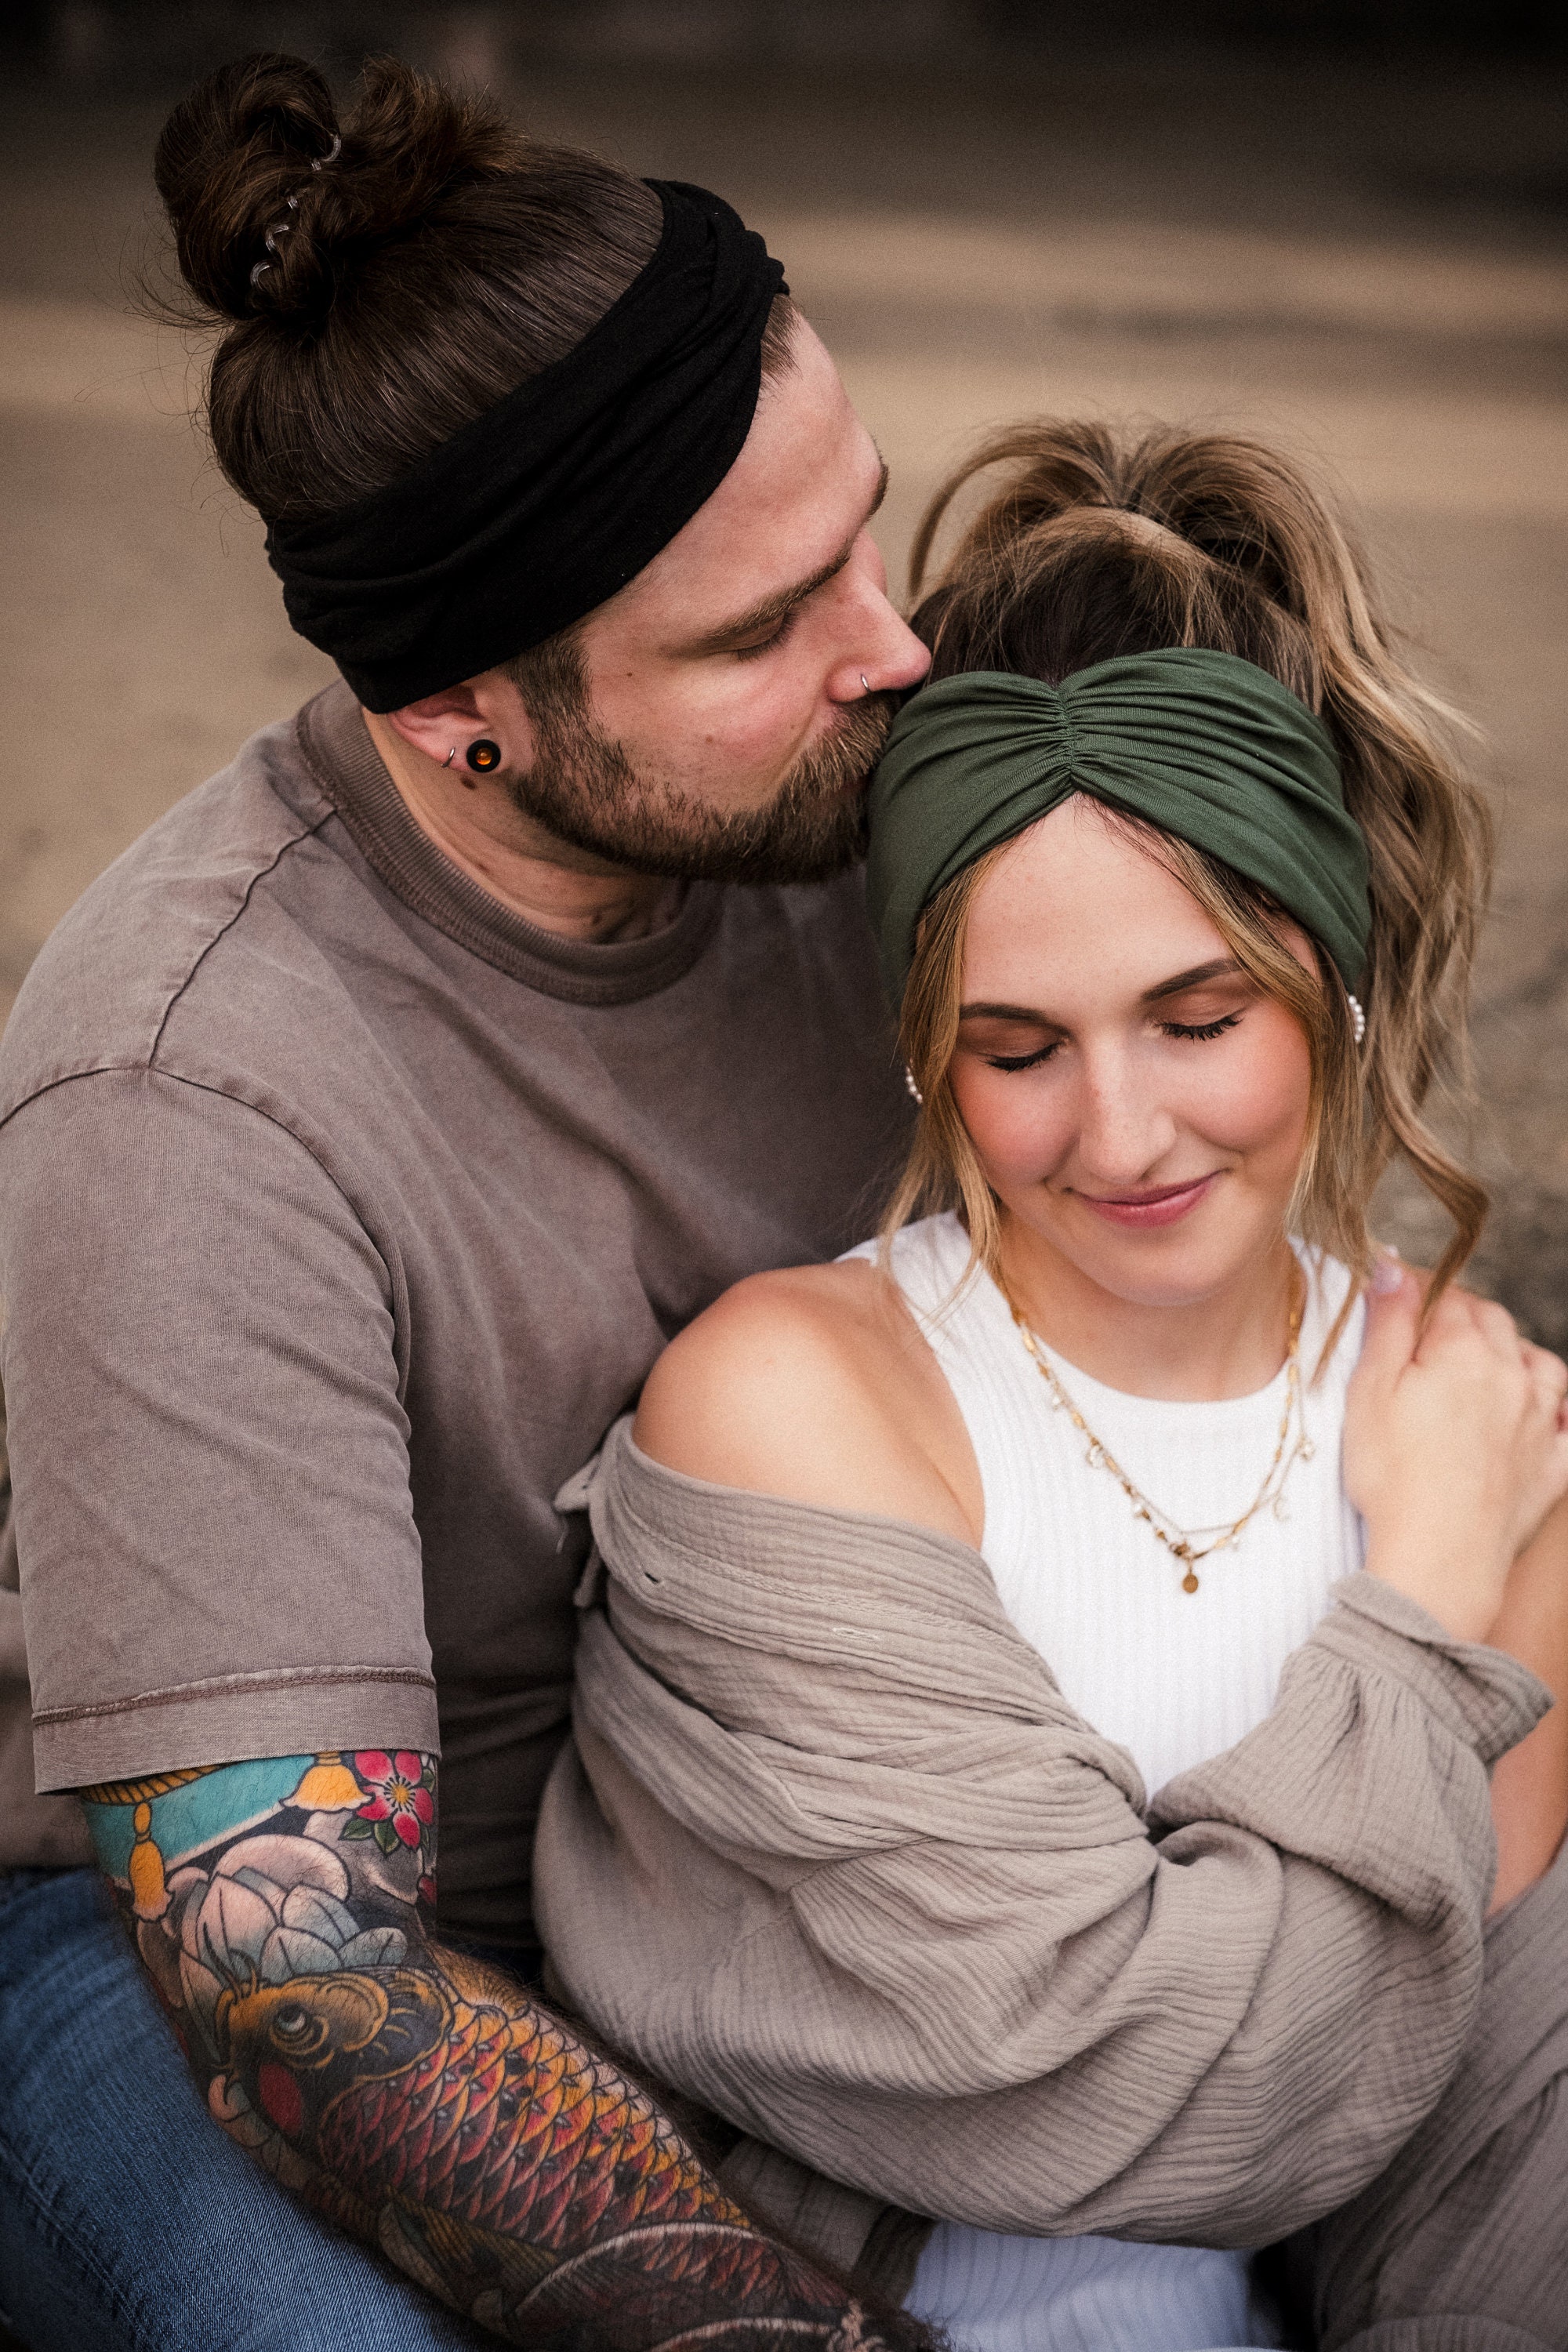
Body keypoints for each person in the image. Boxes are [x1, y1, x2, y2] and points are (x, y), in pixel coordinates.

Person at [0, 47, 938, 2352]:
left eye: (864, 533)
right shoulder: (190, 1089)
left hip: (794, 1866)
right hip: (216, 1960)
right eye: (758, 630)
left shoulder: (884, 804)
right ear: (460, 716)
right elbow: (293, 1968)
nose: (894, 649)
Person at [535, 423, 1568, 2351]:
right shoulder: (798, 1400)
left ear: (1329, 969)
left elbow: (1484, 2136)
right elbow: (1126, 2085)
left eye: (1200, 1020)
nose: (1121, 1133)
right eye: (1016, 1047)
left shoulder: (1468, 1414)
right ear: (922, 1042)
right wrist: (1421, 1597)